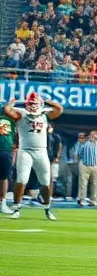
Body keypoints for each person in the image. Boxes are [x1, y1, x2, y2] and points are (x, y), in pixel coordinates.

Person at [4, 92, 65, 220]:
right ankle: (16, 208)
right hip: (25, 150)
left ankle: (47, 208)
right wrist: (12, 102)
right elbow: (7, 110)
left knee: (45, 182)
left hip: (41, 151)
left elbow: (59, 109)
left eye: (35, 103)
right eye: (30, 104)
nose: (32, 106)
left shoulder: (44, 115)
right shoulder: (21, 113)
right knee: (22, 180)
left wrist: (47, 101)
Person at [75, 131, 97, 208]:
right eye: (92, 136)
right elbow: (78, 153)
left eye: (95, 136)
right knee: (83, 184)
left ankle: (93, 200)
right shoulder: (84, 143)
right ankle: (82, 200)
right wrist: (80, 163)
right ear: (90, 136)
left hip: (95, 166)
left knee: (94, 184)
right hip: (85, 165)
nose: (93, 138)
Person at [0, 112, 14, 215]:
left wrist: (14, 152)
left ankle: (2, 202)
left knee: (4, 177)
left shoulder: (9, 119)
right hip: (6, 150)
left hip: (6, 149)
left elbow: (15, 137)